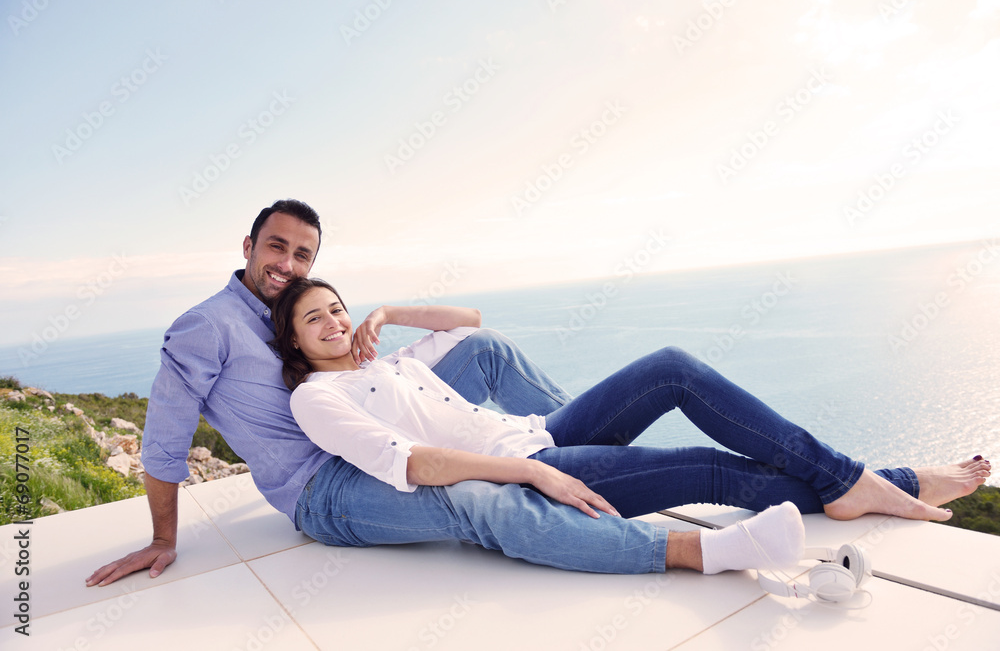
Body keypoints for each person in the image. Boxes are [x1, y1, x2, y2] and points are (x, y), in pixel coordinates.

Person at [86, 199, 799, 585]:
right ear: (247, 246)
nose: (288, 263)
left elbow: (469, 325)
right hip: (325, 477)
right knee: (482, 502)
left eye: (303, 255)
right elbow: (166, 434)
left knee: (481, 351)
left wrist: (379, 322)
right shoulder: (205, 327)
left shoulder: (317, 322)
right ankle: (688, 550)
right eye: (276, 248)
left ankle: (563, 448)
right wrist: (163, 538)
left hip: (355, 407)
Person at [271, 277, 991, 555]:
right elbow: (415, 466)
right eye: (315, 317)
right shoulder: (317, 398)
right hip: (533, 469)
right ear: (294, 340)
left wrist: (388, 313)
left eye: (337, 308)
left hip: (543, 436)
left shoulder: (392, 365)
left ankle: (846, 481)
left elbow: (471, 321)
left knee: (674, 366)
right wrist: (527, 471)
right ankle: (884, 481)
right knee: (712, 472)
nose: (333, 321)